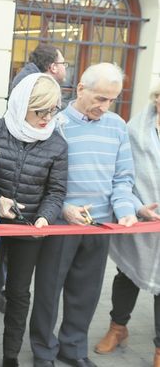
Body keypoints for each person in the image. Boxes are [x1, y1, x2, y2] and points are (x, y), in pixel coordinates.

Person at [28, 63, 151, 367]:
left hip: (100, 226)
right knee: (47, 293)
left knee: (85, 295)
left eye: (111, 100)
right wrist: (64, 208)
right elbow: (40, 178)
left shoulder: (118, 127)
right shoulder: (54, 124)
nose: (104, 106)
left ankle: (73, 350)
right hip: (60, 223)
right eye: (99, 98)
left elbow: (123, 179)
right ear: (80, 88)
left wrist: (127, 210)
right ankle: (43, 353)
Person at [0, 73, 68, 367]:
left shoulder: (57, 144)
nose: (48, 118)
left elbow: (56, 190)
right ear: (23, 104)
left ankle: (11, 356)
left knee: (19, 294)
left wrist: (46, 217)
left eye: (53, 110)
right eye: (40, 111)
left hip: (30, 229)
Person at [94, 82, 160, 366]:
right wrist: (135, 205)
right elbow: (123, 172)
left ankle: (159, 348)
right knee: (127, 274)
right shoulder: (136, 130)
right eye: (158, 96)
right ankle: (117, 328)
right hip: (140, 214)